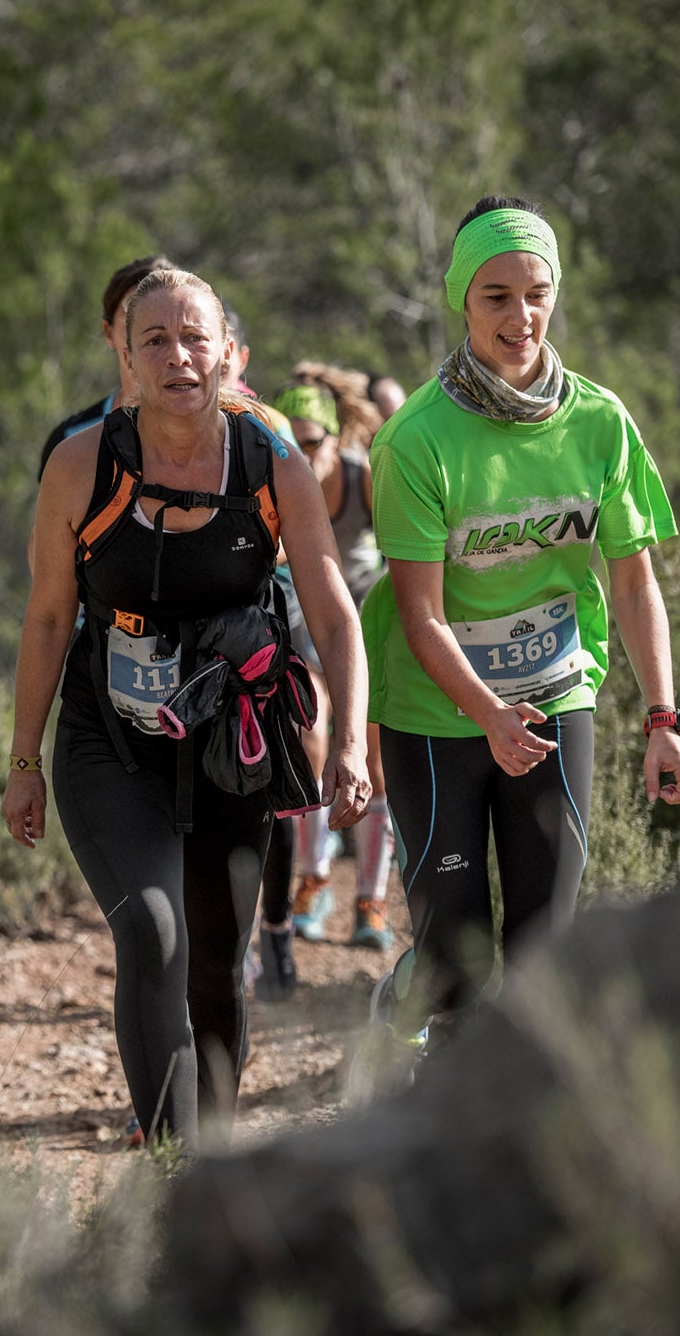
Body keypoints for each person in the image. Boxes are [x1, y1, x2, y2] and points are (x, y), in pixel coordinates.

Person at [3, 268, 370, 1154]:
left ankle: (215, 1162)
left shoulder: (272, 459)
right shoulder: (81, 463)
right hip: (108, 737)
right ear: (124, 357)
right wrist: (22, 761)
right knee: (152, 929)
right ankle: (173, 1162)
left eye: (195, 337)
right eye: (155, 339)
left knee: (215, 959)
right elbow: (51, 614)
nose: (178, 355)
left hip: (229, 741)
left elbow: (331, 608)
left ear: (227, 353)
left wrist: (350, 741)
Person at [362, 195, 680, 1055]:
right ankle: (406, 997)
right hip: (437, 712)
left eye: (537, 292)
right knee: (456, 965)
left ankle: (494, 1147)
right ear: (462, 302)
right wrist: (487, 715)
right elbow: (420, 614)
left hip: (553, 692)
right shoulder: (416, 441)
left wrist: (664, 720)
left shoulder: (598, 421)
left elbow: (632, 583)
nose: (522, 317)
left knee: (547, 950)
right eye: (497, 296)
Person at [265, 381, 398, 952]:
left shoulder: (359, 473)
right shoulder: (272, 478)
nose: (304, 454)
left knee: (374, 754)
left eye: (313, 442)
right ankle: (314, 880)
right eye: (290, 443)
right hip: (305, 614)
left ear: (333, 437)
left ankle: (371, 900)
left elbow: (406, 545)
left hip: (366, 614)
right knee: (309, 734)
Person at [38, 255, 178, 478]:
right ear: (108, 332)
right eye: (133, 316)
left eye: (166, 319)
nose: (150, 333)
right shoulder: (69, 441)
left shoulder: (235, 436)